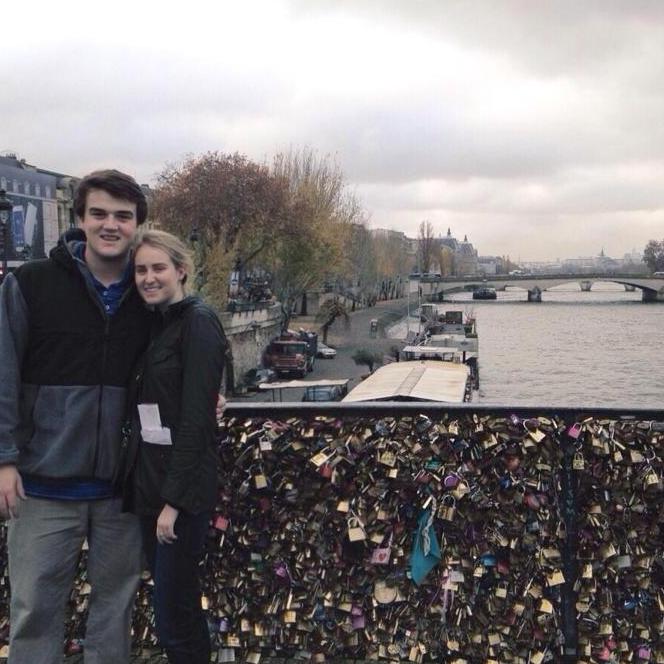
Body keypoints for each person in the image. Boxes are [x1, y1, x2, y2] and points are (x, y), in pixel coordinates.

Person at [0, 169, 153, 664]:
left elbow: (186, 353)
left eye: (123, 216)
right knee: (34, 613)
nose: (111, 225)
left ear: (138, 225)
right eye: (100, 213)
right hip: (41, 486)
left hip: (120, 489)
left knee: (115, 613)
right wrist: (4, 459)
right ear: (80, 219)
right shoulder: (31, 284)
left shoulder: (150, 291)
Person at [119, 230, 226, 664]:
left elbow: (197, 421)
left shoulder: (198, 321)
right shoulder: (156, 323)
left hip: (179, 493)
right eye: (141, 270)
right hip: (151, 484)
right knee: (177, 605)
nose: (148, 277)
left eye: (158, 268)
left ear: (181, 270)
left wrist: (174, 503)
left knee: (172, 613)